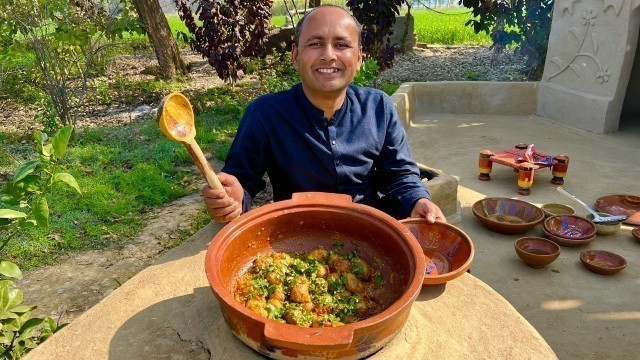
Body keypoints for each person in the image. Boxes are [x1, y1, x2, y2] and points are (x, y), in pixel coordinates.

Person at [202, 5, 445, 224]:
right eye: (315, 43)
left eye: (341, 45)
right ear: (296, 56)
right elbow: (241, 182)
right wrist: (230, 199)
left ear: (358, 58)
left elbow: (400, 174)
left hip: (370, 232)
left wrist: (418, 200)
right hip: (296, 237)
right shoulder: (265, 114)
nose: (328, 54)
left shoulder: (378, 107)